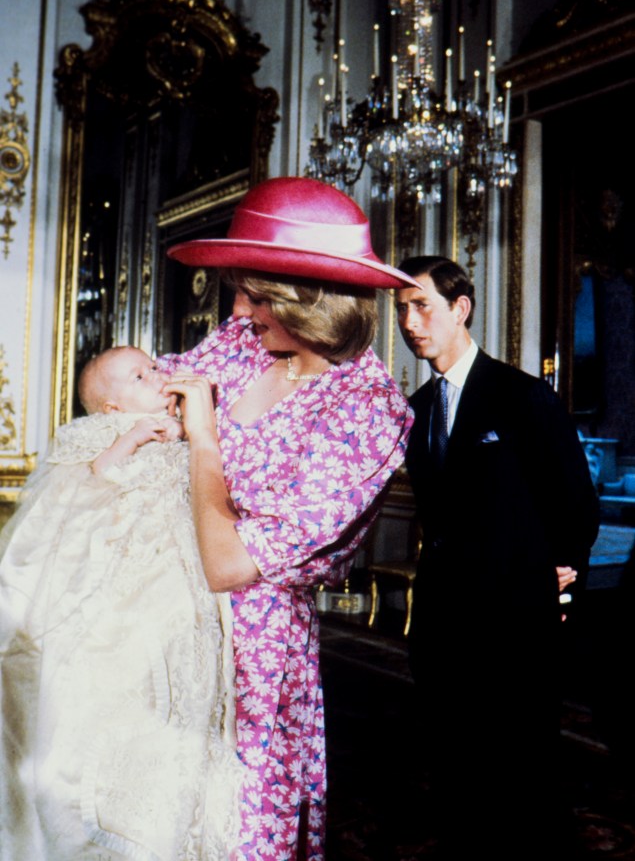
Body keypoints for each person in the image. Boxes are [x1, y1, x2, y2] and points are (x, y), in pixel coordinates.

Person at [159, 176, 416, 861]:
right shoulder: (241, 346)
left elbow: (230, 564)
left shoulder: (368, 411)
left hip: (256, 649)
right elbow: (146, 392)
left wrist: (203, 438)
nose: (238, 308)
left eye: (256, 293)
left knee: (233, 829)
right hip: (161, 614)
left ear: (311, 300)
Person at [0, 346, 242, 861]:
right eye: (139, 375)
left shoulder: (189, 426)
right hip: (124, 580)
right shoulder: (106, 434)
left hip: (184, 577)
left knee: (182, 690)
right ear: (112, 408)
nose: (158, 376)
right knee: (116, 687)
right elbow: (83, 490)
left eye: (155, 366)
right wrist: (129, 441)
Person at [395, 255, 599, 860]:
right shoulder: (419, 409)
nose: (409, 322)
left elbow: (576, 505)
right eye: (401, 309)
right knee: (456, 774)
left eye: (421, 306)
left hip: (513, 622)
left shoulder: (522, 396)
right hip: (442, 624)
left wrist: (560, 577)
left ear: (460, 309)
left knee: (522, 779)